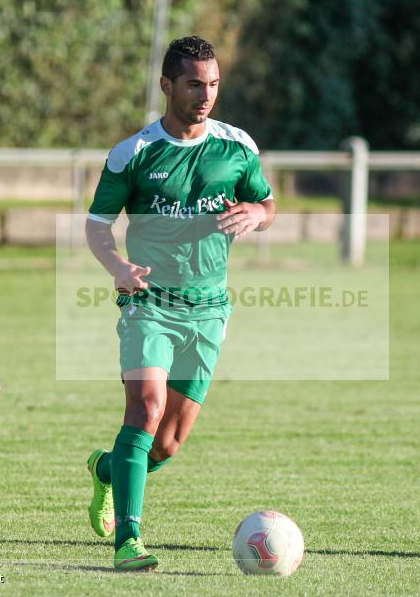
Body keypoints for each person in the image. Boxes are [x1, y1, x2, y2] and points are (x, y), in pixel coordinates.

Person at [84, 36, 276, 571]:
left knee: (166, 444)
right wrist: (119, 267)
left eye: (213, 84)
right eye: (194, 83)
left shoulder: (238, 147)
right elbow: (98, 224)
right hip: (150, 304)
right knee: (144, 411)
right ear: (167, 85)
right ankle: (129, 540)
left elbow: (267, 201)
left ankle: (107, 470)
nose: (206, 94)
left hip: (209, 309)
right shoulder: (135, 153)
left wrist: (259, 215)